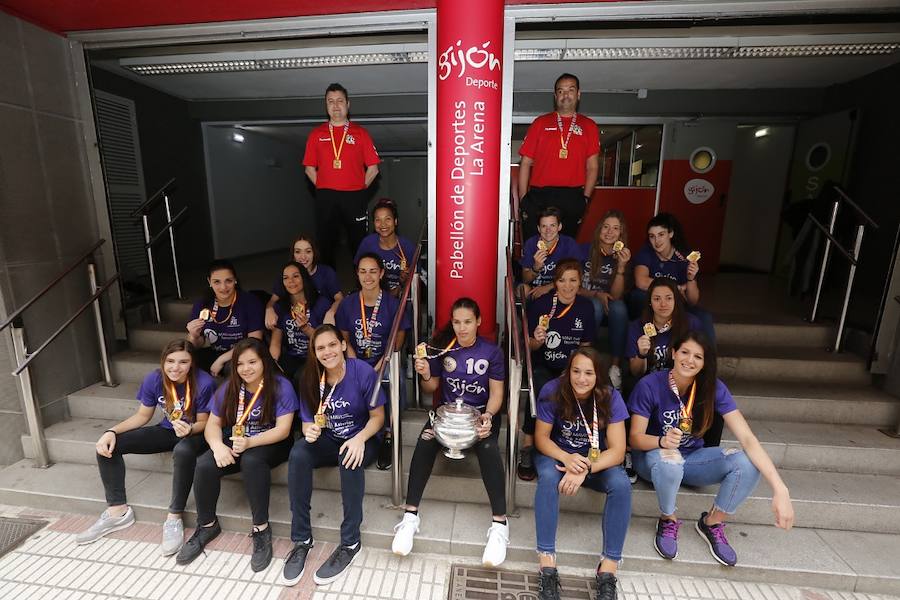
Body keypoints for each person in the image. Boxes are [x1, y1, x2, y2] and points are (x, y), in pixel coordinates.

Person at [628, 331, 794, 566]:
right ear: (673, 353)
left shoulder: (711, 387)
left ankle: (712, 523)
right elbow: (635, 438)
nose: (690, 360)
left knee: (747, 462)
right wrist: (661, 441)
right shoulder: (651, 384)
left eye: (698, 356)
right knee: (670, 462)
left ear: (705, 363)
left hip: (692, 459)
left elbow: (747, 438)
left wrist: (780, 489)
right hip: (653, 458)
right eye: (684, 352)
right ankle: (668, 519)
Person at [391, 298, 509, 567]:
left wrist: (488, 416)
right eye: (457, 322)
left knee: (489, 449)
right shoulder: (443, 348)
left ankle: (500, 526)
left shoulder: (492, 352)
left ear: (478, 321)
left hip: (481, 413)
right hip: (447, 416)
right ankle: (410, 518)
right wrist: (423, 374)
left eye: (468, 322)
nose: (462, 328)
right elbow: (432, 388)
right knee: (424, 441)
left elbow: (497, 394)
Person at [76, 340, 215, 556]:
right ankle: (117, 511)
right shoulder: (154, 378)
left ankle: (174, 517)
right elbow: (143, 416)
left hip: (195, 434)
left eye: (183, 362)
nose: (175, 368)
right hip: (168, 430)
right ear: (163, 361)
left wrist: (189, 429)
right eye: (170, 361)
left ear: (192, 364)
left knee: (183, 450)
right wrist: (111, 431)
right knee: (108, 444)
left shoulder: (204, 382)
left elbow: (206, 423)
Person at [176, 338, 298, 571]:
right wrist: (218, 447)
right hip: (238, 440)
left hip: (271, 441)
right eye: (240, 364)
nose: (246, 369)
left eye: (252, 362)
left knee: (252, 461)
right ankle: (207, 525)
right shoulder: (230, 386)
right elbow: (212, 425)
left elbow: (283, 430)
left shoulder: (281, 385)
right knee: (204, 464)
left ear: (264, 361)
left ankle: (261, 529)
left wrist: (251, 442)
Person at [281, 325, 386, 587]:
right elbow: (306, 422)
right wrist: (310, 430)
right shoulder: (309, 376)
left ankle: (350, 542)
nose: (327, 352)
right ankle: (301, 539)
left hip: (363, 438)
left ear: (342, 345)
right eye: (320, 348)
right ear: (314, 353)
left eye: (331, 345)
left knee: (348, 457)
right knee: (299, 453)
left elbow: (378, 418)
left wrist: (360, 438)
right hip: (329, 438)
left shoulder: (361, 371)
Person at [533, 348, 631, 600]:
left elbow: (619, 451)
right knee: (547, 478)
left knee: (621, 484)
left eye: (588, 373)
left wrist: (585, 467)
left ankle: (608, 569)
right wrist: (567, 458)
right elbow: (541, 439)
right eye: (576, 371)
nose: (581, 379)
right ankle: (547, 565)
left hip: (594, 459)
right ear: (568, 371)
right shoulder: (553, 391)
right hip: (557, 455)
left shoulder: (610, 397)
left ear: (598, 375)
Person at [518, 259, 595, 482]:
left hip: (574, 369)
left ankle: (597, 445)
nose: (567, 286)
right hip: (545, 366)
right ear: (555, 282)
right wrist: (537, 340)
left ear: (580, 282)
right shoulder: (542, 305)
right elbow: (529, 347)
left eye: (573, 280)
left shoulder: (585, 307)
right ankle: (528, 444)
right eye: (562, 280)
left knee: (598, 386)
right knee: (541, 386)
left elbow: (586, 348)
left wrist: (578, 371)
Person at [335, 253, 411, 470]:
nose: (368, 277)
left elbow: (397, 341)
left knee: (392, 379)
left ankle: (388, 433)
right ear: (357, 274)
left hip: (385, 360)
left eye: (373, 271)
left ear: (382, 273)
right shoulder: (349, 304)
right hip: (354, 360)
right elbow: (344, 339)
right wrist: (355, 364)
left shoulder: (392, 303)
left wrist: (378, 365)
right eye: (362, 271)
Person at [303, 83, 380, 267]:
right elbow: (309, 169)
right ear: (325, 105)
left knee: (359, 244)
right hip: (325, 196)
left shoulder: (360, 133)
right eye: (330, 101)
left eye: (340, 101)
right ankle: (327, 291)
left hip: (354, 196)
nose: (335, 106)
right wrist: (323, 187)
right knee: (325, 244)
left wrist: (359, 190)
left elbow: (373, 168)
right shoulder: (316, 134)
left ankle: (362, 289)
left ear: (348, 104)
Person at [518, 73, 600, 237]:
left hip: (572, 197)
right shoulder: (540, 123)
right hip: (539, 196)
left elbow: (593, 166)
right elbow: (525, 162)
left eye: (570, 90)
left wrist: (585, 199)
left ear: (578, 94)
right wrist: (523, 199)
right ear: (555, 96)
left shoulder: (589, 126)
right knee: (534, 248)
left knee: (565, 252)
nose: (566, 95)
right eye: (561, 91)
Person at [631, 213, 715, 344]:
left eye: (661, 234)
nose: (656, 241)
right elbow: (641, 281)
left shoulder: (684, 256)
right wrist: (676, 288)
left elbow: (693, 300)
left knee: (704, 316)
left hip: (677, 305)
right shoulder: (646, 252)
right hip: (652, 304)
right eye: (652, 236)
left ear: (670, 234)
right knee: (639, 296)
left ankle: (709, 362)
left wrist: (691, 279)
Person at [580, 210, 631, 389]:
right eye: (606, 227)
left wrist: (621, 268)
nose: (610, 232)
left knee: (620, 308)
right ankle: (588, 359)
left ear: (621, 233)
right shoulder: (584, 250)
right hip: (587, 302)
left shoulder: (622, 255)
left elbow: (616, 296)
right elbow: (572, 287)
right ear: (599, 229)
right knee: (596, 305)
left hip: (611, 306)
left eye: (615, 228)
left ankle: (615, 367)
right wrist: (596, 295)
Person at [186, 260, 264, 376]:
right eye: (217, 282)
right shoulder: (202, 304)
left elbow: (254, 342)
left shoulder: (250, 302)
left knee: (232, 368)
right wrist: (193, 335)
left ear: (235, 280)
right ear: (209, 282)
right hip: (216, 351)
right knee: (186, 361)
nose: (223, 287)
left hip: (245, 353)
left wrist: (221, 360)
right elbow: (198, 343)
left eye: (228, 281)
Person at [627, 277, 701, 380]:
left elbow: (701, 361)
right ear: (650, 302)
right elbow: (635, 372)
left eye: (669, 298)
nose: (663, 304)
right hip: (649, 385)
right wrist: (641, 354)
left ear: (676, 300)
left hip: (681, 382)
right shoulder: (637, 327)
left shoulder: (691, 323)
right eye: (657, 299)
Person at [269, 261, 332, 382]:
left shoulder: (321, 303)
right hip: (292, 356)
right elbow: (276, 342)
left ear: (304, 278)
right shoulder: (281, 306)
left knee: (301, 376)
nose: (290, 281)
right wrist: (273, 364)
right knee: (276, 376)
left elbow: (327, 341)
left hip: (316, 356)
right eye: (286, 278)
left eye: (296, 276)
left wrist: (306, 329)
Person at [265, 236, 343, 329]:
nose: (303, 256)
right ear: (293, 254)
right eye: (298, 252)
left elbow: (339, 298)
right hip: (296, 320)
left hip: (323, 319)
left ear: (314, 253)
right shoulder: (286, 273)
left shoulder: (326, 272)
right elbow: (273, 300)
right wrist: (269, 309)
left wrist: (331, 312)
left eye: (308, 251)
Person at [354, 198, 417, 296]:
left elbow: (418, 279)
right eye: (378, 220)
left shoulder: (408, 247)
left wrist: (405, 280)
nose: (383, 224)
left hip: (401, 294)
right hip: (372, 292)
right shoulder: (368, 243)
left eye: (388, 219)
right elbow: (358, 271)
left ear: (395, 221)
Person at [520, 206, 584, 295]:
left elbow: (576, 276)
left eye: (552, 225)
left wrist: (548, 287)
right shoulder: (531, 243)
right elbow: (525, 280)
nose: (548, 230)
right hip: (535, 289)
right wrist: (535, 268)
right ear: (538, 228)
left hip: (561, 288)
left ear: (559, 226)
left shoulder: (569, 243)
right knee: (522, 289)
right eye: (544, 226)